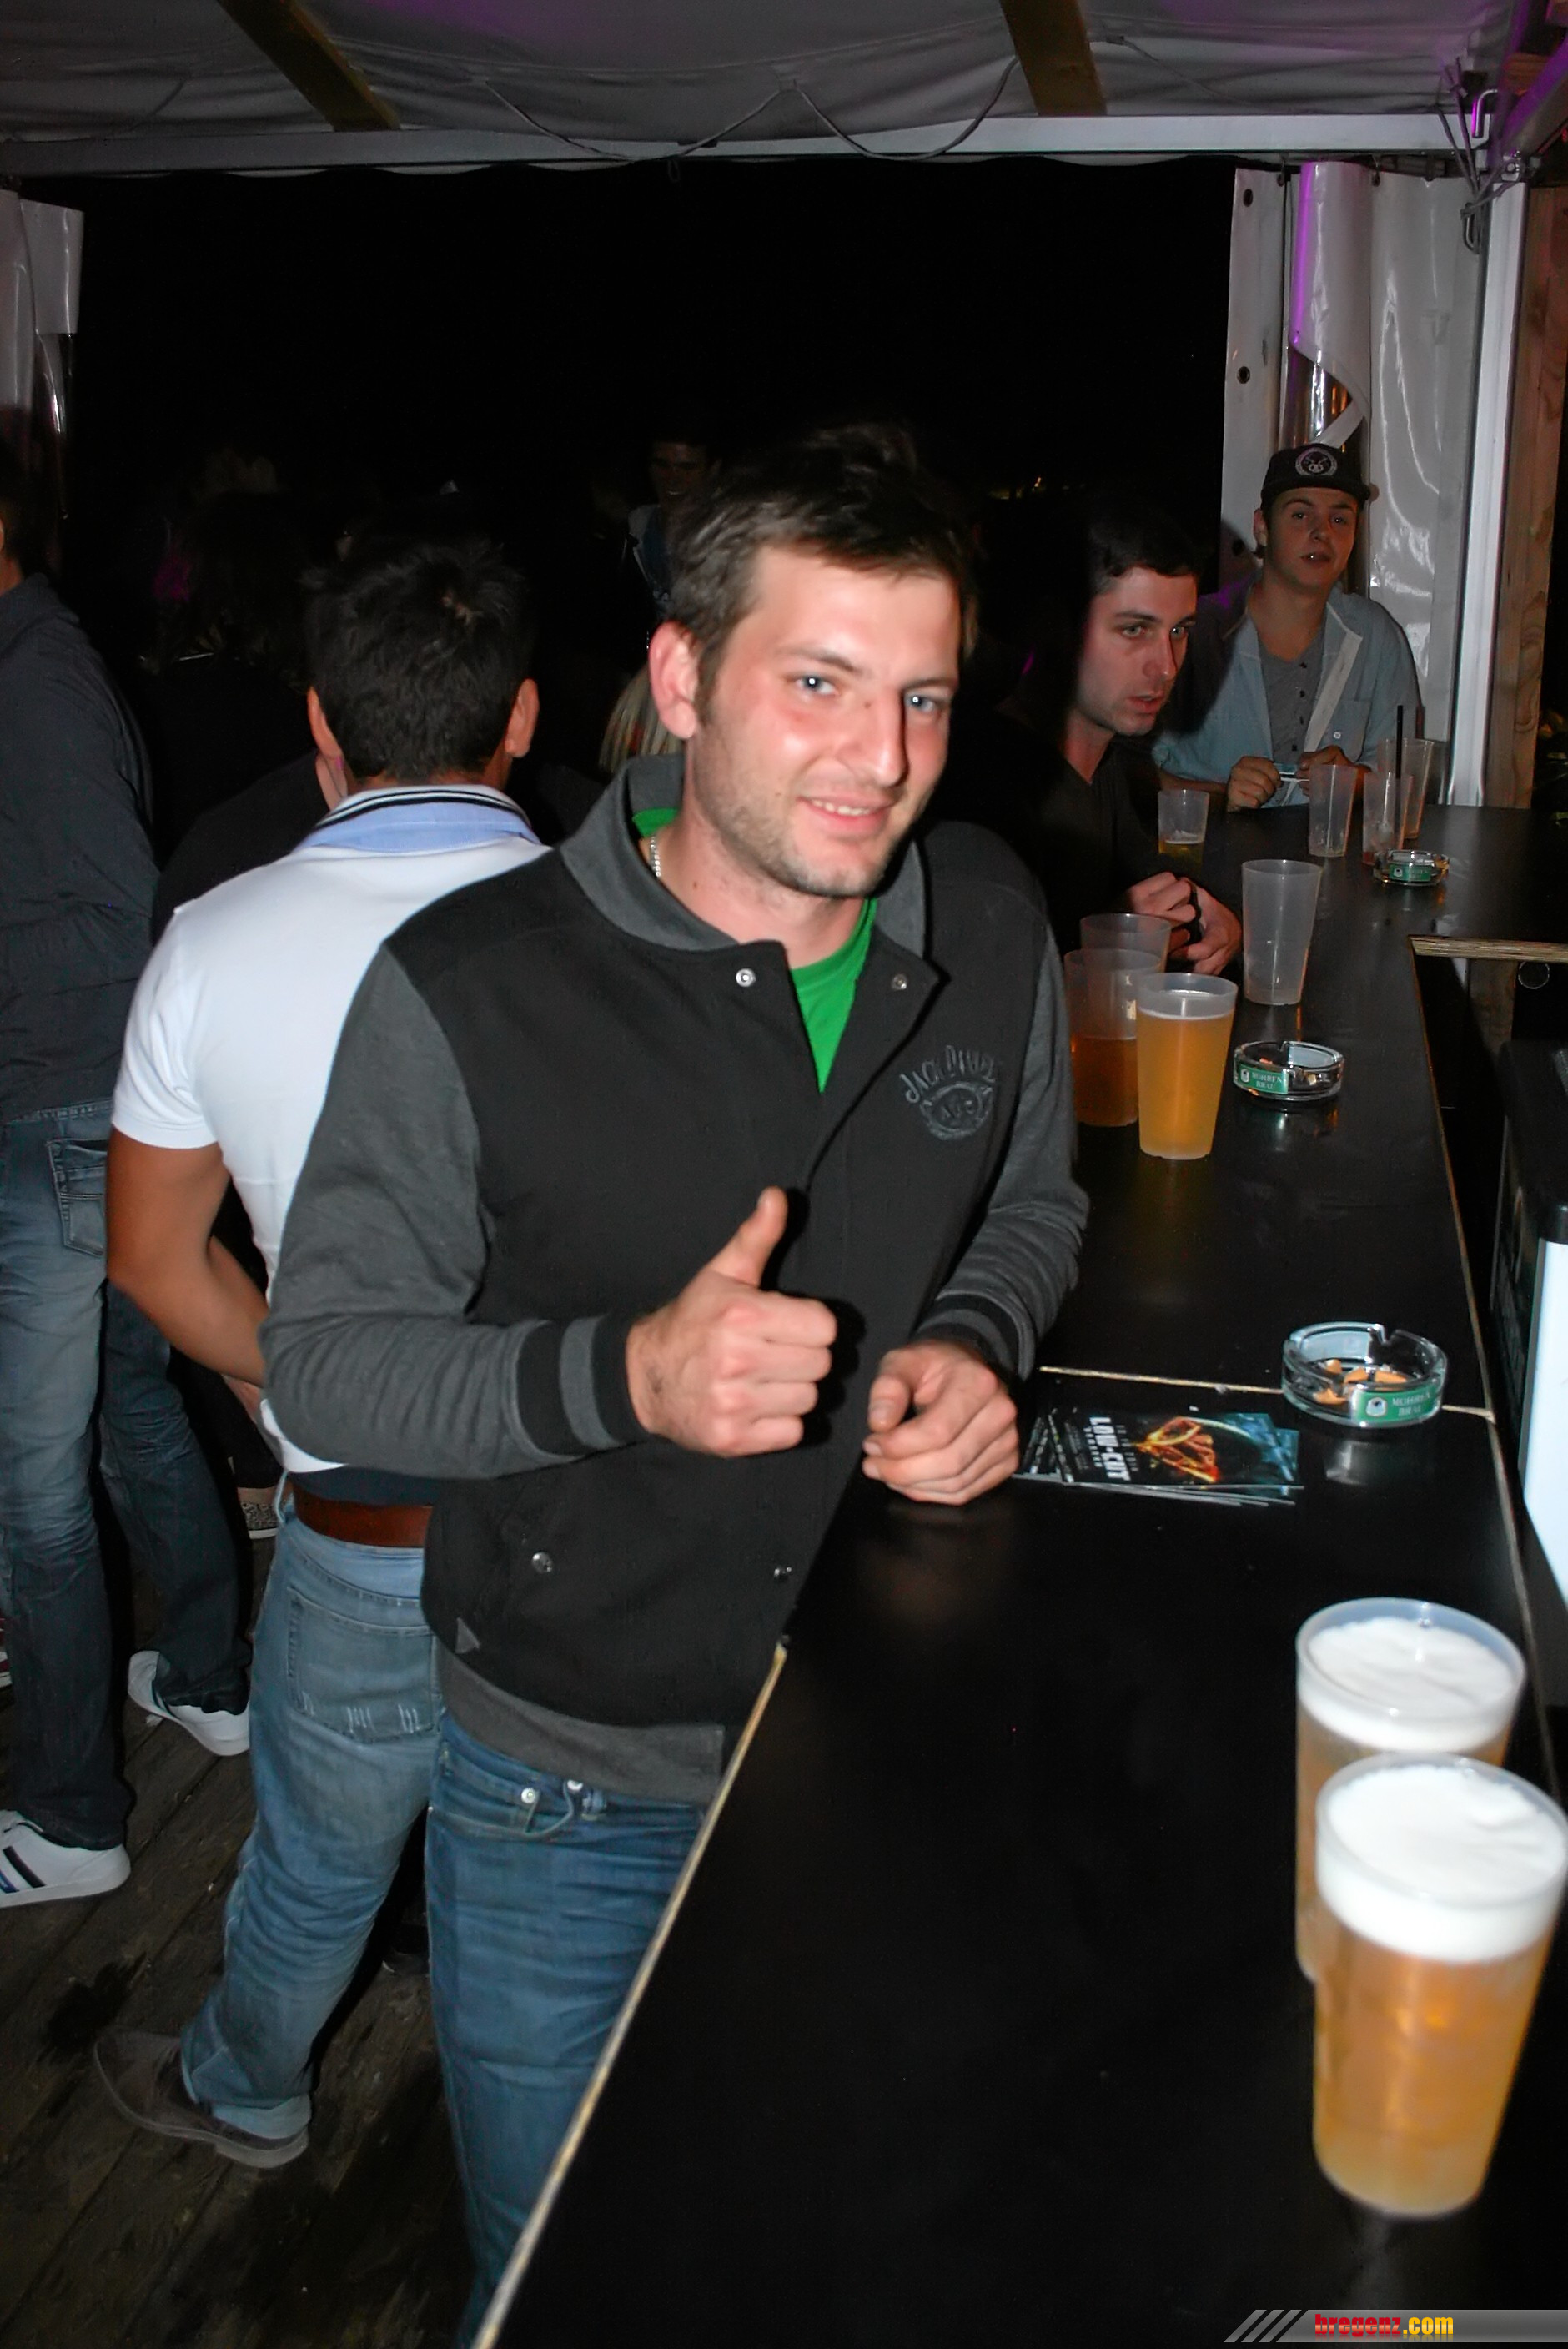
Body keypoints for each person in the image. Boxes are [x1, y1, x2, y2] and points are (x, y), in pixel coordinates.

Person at [261, 425, 1088, 2330]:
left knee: (846, 2258)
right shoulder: (469, 983)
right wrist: (622, 1374)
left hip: (893, 1740)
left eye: (922, 698)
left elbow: (1031, 1203)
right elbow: (327, 1371)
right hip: (570, 1791)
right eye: (818, 684)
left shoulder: (986, 919)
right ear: (682, 678)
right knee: (575, 2283)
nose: (880, 756)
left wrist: (973, 1343)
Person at [91, 536, 547, 2166]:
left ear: (318, 724)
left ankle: (246, 2087)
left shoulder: (214, 941)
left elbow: (154, 1259)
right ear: (522, 718)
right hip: (598, 1498)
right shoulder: (630, 922)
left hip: (370, 1520)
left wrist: (308, 1377)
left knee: (315, 1859)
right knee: (564, 1883)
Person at [0, 444, 249, 1910]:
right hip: (82, 1110)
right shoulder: (46, 662)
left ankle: (68, 1814)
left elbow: (116, 912)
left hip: (58, 1113)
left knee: (33, 1483)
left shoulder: (35, 680)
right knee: (128, 1409)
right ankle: (207, 1673)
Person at [945, 495, 1240, 973]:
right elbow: (974, 983)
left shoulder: (1102, 763)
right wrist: (1104, 942)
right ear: (1055, 627)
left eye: (1179, 631)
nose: (1166, 666)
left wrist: (1213, 916)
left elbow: (1155, 879)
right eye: (1134, 630)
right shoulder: (979, 789)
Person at [1155, 441, 1420, 811]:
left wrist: (1354, 781)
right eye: (1299, 515)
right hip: (1204, 846)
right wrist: (1220, 796)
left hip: (1325, 845)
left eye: (1339, 519)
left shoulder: (1377, 637)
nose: (1321, 532)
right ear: (1262, 528)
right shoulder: (1194, 631)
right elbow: (1125, 771)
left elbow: (1402, 778)